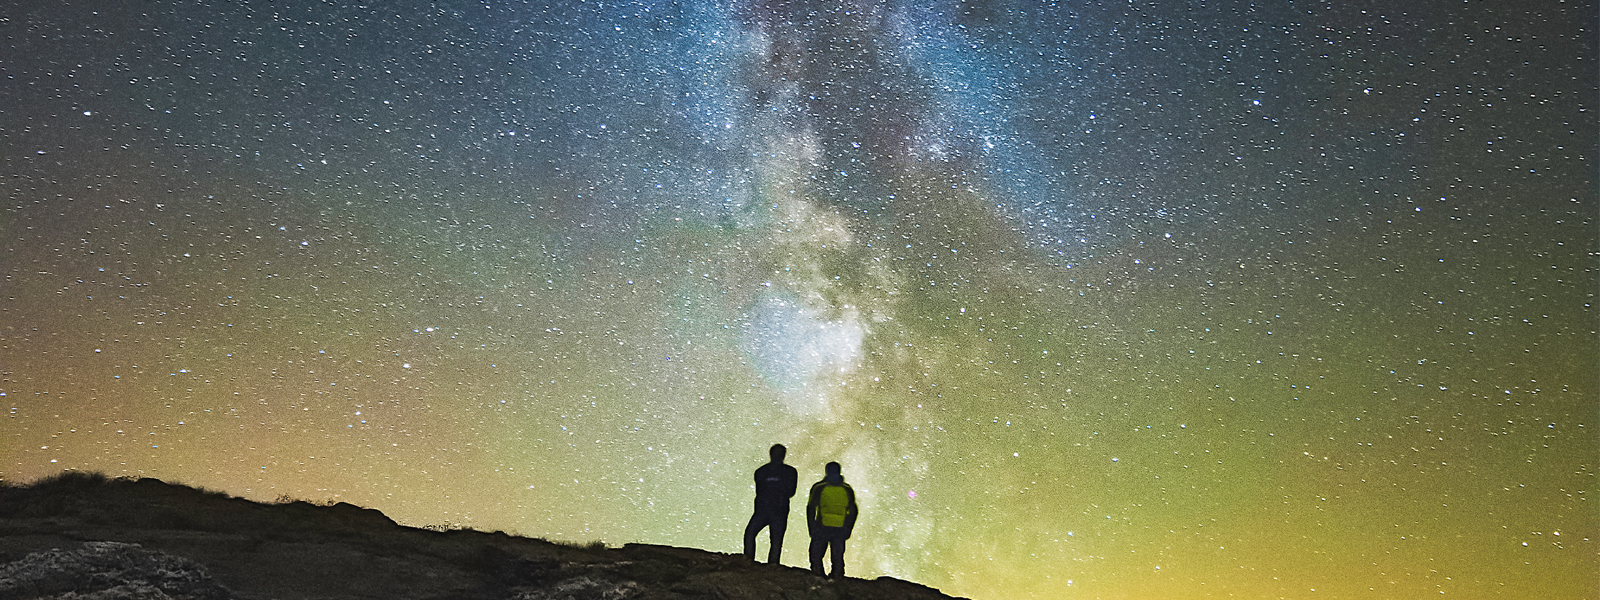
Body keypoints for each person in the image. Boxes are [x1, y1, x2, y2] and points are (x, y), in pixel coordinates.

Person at [743, 444, 798, 563]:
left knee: (752, 534)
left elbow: (760, 491)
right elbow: (791, 491)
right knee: (775, 540)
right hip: (777, 509)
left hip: (766, 509)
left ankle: (749, 560)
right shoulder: (790, 472)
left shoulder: (761, 471)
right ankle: (771, 565)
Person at [806, 461, 858, 578]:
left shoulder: (819, 487)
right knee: (837, 557)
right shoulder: (847, 489)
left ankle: (818, 577)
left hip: (822, 527)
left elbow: (811, 508)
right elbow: (853, 510)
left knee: (816, 555)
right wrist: (849, 528)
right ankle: (837, 579)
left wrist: (811, 526)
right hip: (840, 527)